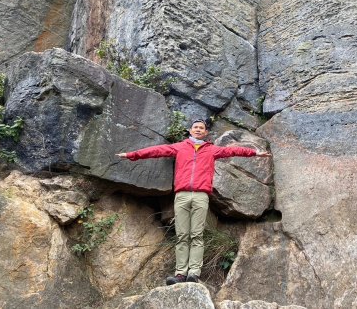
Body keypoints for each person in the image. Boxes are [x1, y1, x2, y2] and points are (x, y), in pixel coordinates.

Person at [116, 118, 271, 285]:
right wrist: (132, 155)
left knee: (196, 235)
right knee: (182, 235)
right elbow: (157, 150)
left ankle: (194, 273)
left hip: (200, 196)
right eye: (195, 127)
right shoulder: (180, 147)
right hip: (182, 195)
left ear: (205, 133)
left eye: (201, 128)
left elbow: (233, 151)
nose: (198, 129)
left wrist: (255, 153)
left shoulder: (212, 150)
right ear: (190, 131)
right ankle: (180, 273)